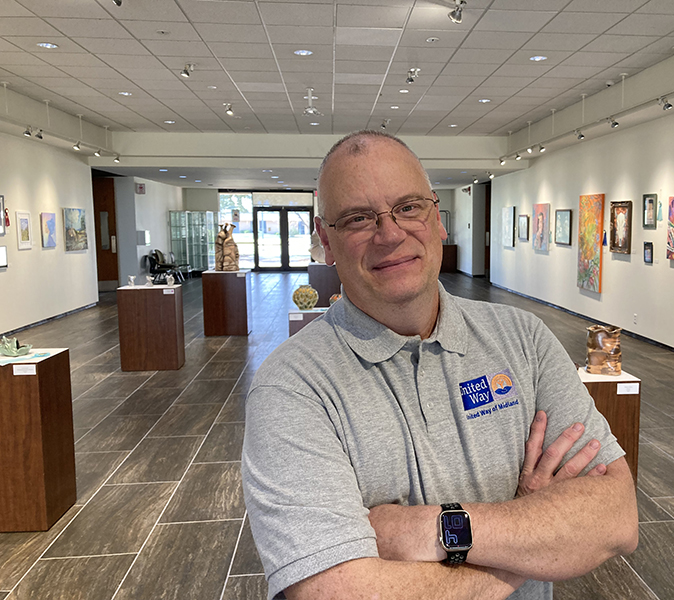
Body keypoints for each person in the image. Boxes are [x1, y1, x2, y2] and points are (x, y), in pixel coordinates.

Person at [242, 130, 638, 600]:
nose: (390, 233)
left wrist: (430, 529)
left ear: (438, 219)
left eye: (408, 207)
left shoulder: (524, 339)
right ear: (325, 241)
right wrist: (530, 538)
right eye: (357, 218)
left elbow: (615, 517)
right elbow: (337, 593)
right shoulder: (291, 388)